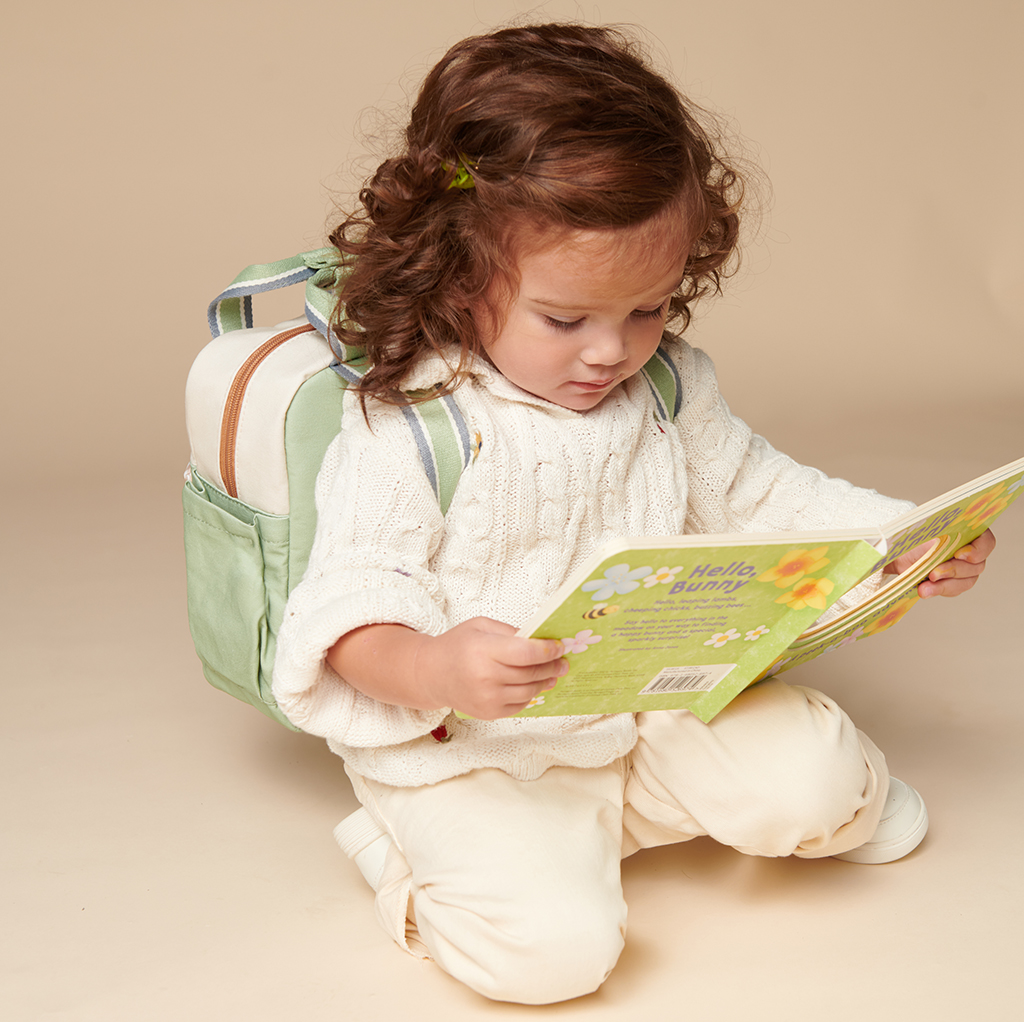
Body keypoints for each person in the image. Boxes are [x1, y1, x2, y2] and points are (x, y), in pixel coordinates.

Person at [271, 23, 995, 1004]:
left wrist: (903, 537)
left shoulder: (663, 386)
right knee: (551, 957)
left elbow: (758, 489)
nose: (611, 351)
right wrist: (437, 666)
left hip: (645, 708)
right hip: (478, 757)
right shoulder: (412, 425)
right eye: (566, 319)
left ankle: (602, 830)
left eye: (648, 307)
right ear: (456, 273)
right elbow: (347, 613)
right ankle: (411, 856)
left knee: (820, 780)